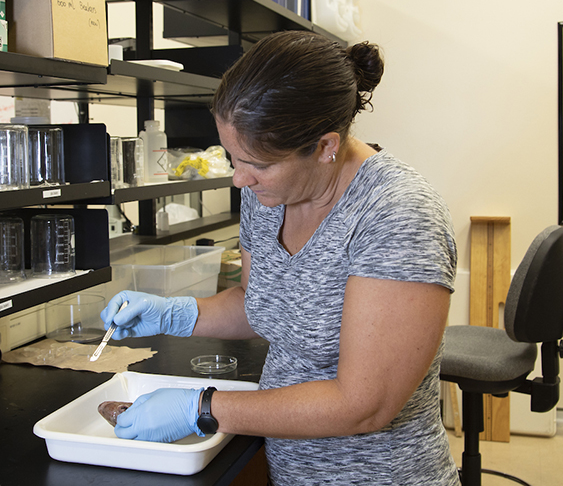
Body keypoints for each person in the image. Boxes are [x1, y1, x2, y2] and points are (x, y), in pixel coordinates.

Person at [101, 30, 460, 486]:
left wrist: (202, 407)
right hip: (291, 470)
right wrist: (173, 314)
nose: (239, 179)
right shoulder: (266, 196)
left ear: (326, 146)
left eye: (257, 163)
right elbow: (263, 304)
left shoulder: (397, 214)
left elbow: (364, 404)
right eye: (232, 156)